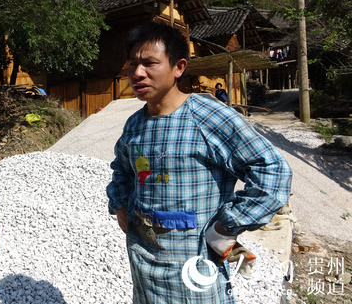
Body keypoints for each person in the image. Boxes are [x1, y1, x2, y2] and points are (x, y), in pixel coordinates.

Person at [106, 22, 291, 303]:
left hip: (194, 272)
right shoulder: (134, 124)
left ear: (178, 67)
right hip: (144, 270)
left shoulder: (208, 117)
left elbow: (273, 171)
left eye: (149, 63)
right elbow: (122, 166)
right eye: (132, 65)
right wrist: (120, 203)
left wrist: (228, 225)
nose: (137, 73)